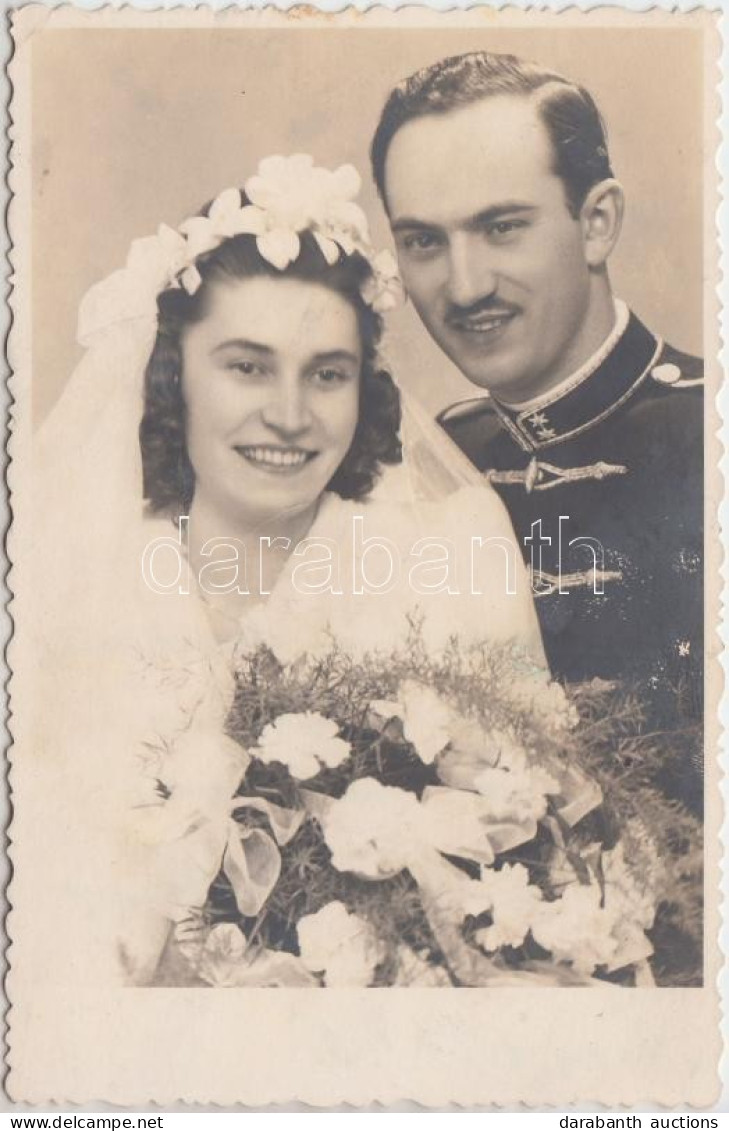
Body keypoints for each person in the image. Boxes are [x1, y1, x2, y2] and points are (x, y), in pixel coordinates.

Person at [31, 155, 545, 987]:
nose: (290, 414)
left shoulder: (450, 552)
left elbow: (524, 842)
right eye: (246, 365)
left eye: (327, 374)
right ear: (174, 376)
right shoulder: (67, 561)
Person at [370, 50, 703, 802]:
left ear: (596, 223)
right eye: (423, 240)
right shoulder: (424, 460)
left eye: (500, 227)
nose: (464, 285)